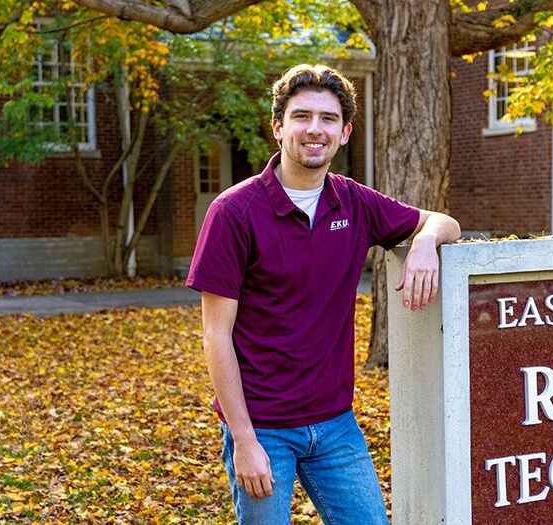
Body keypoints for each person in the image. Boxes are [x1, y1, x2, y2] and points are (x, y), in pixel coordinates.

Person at [186, 63, 461, 523]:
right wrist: (245, 441)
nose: (315, 129)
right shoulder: (233, 212)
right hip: (263, 427)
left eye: (328, 119)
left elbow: (443, 221)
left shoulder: (354, 201)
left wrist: (425, 244)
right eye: (301, 116)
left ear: (345, 132)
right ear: (278, 127)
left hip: (335, 426)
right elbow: (216, 337)